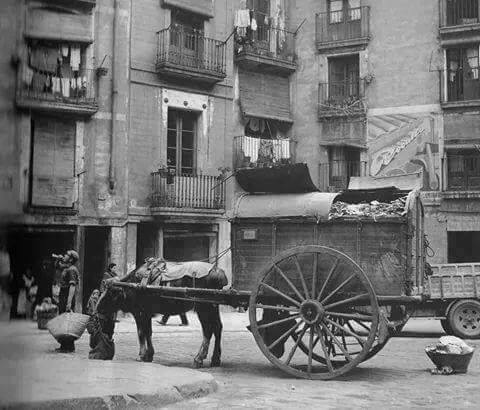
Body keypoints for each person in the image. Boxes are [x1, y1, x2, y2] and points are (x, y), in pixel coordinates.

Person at [55, 250, 80, 352]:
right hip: (63, 295)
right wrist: (58, 258)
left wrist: (69, 303)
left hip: (67, 296)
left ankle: (69, 346)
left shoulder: (72, 270)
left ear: (70, 259)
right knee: (63, 321)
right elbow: (57, 266)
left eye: (66, 255)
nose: (64, 255)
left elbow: (72, 286)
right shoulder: (67, 267)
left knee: (67, 323)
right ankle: (64, 345)